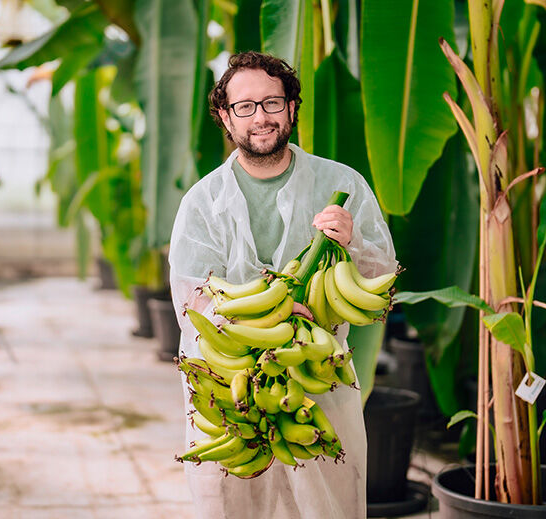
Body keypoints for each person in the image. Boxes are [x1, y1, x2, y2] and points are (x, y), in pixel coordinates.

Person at [168, 51, 398, 518]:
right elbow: (193, 305)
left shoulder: (343, 184)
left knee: (327, 502)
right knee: (234, 504)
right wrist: (271, 316)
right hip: (230, 383)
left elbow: (380, 283)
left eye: (272, 103)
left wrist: (351, 244)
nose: (261, 117)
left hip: (319, 375)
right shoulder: (203, 203)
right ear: (225, 117)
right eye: (245, 106)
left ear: (292, 107)